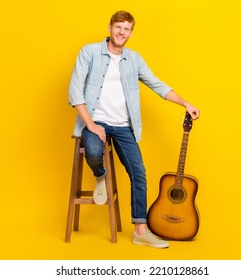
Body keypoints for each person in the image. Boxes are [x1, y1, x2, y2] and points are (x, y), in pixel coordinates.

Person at [68, 10, 200, 248]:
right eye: (118, 27)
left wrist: (185, 103)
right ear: (109, 28)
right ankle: (101, 177)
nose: (121, 32)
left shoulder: (134, 59)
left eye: (126, 29)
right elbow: (75, 92)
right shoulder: (89, 53)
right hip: (94, 121)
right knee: (95, 152)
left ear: (131, 33)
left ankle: (140, 229)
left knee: (139, 173)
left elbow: (157, 84)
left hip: (123, 126)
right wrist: (91, 125)